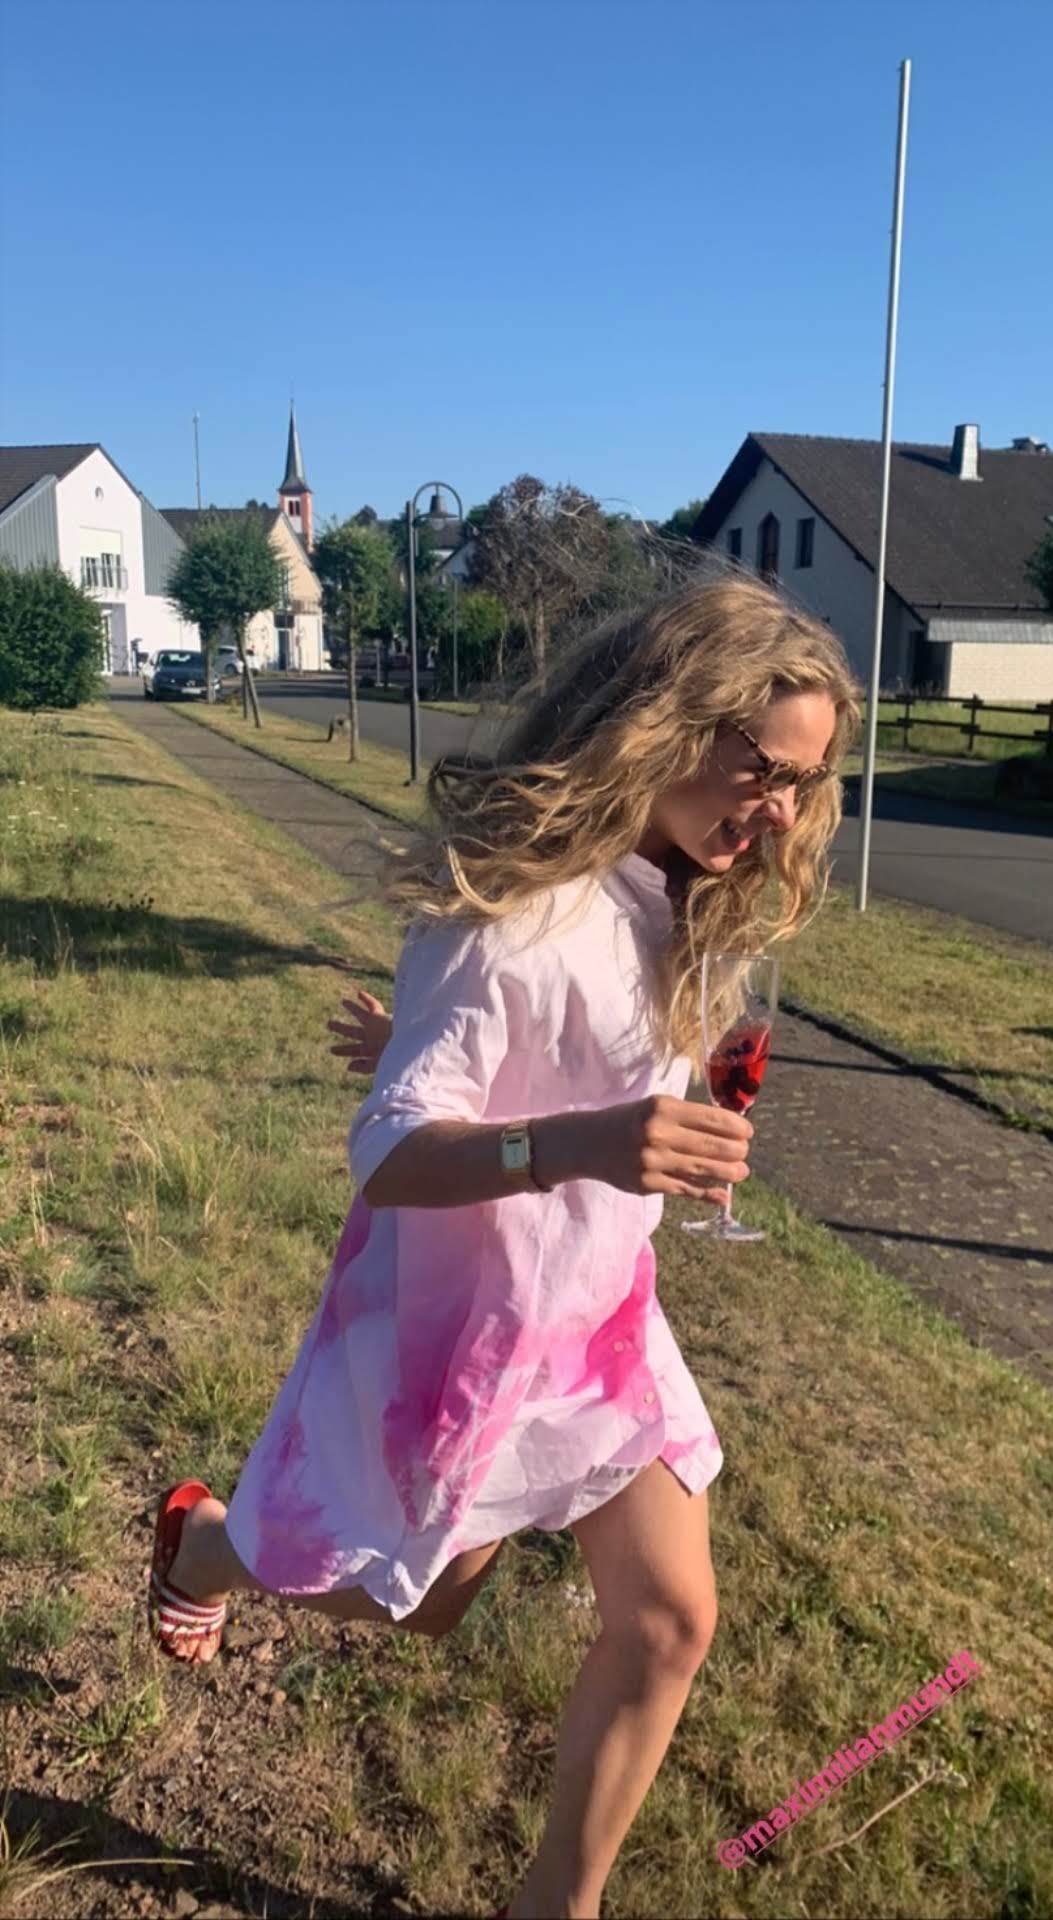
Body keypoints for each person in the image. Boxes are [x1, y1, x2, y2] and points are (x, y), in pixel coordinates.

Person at [147, 570, 859, 1920]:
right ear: (662, 722)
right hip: (468, 1334)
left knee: (669, 1621)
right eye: (761, 769)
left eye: (804, 783)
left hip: (600, 1327)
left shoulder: (684, 898)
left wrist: (616, 1113)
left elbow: (557, 1060)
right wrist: (580, 1136)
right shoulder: (510, 908)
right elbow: (388, 1154)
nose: (777, 813)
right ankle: (208, 1548)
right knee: (414, 1606)